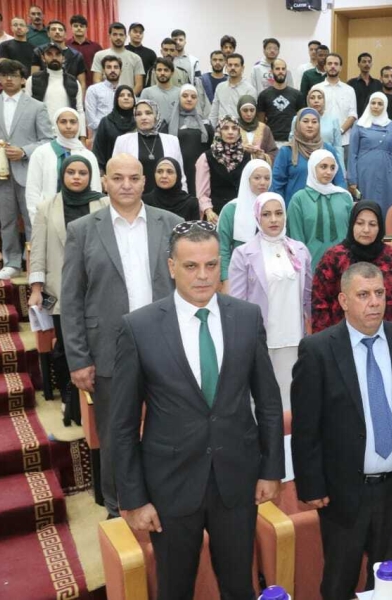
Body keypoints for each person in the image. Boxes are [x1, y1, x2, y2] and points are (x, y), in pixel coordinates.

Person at [113, 221, 283, 599]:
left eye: (211, 264)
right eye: (191, 266)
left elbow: (269, 402)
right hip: (170, 485)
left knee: (239, 586)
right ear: (172, 267)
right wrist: (134, 498)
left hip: (236, 481)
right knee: (175, 589)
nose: (203, 275)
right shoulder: (139, 328)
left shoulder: (247, 317)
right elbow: (122, 424)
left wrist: (271, 469)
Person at [292, 261, 392, 599]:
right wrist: (311, 485)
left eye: (379, 293)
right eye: (363, 295)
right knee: (339, 579)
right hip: (342, 490)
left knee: (385, 579)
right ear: (343, 300)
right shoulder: (318, 349)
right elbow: (306, 427)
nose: (374, 302)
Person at [62, 153, 183, 518]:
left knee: (173, 427)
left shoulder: (171, 224)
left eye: (133, 178)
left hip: (166, 347)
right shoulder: (83, 230)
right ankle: (118, 508)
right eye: (118, 178)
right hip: (109, 350)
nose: (126, 185)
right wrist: (79, 359)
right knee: (117, 434)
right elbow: (71, 299)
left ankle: (172, 497)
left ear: (145, 181)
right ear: (105, 182)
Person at [28, 155, 108, 427]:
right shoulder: (46, 207)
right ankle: (69, 398)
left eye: (82, 173)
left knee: (98, 344)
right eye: (71, 172)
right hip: (61, 289)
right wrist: (36, 288)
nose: (76, 177)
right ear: (62, 175)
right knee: (65, 347)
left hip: (98, 287)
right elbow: (38, 250)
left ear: (90, 176)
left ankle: (97, 401)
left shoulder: (103, 203)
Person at [229, 191, 311, 410]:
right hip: (261, 339)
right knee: (262, 400)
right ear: (257, 217)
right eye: (266, 214)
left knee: (293, 399)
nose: (273, 219)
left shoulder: (300, 250)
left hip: (294, 337)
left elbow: (308, 297)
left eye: (278, 213)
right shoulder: (243, 254)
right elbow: (238, 303)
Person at [312, 200, 392, 333]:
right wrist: (326, 341)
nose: (366, 230)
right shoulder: (333, 258)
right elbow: (320, 304)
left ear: (380, 227)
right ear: (352, 224)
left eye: (372, 224)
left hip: (389, 337)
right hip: (343, 339)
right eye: (360, 223)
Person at [0, 59, 53, 279]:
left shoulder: (36, 106)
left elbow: (48, 139)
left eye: (13, 75)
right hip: (0, 174)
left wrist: (24, 151)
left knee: (32, 219)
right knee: (7, 220)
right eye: (4, 75)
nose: (8, 79)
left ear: (23, 80)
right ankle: (11, 262)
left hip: (28, 172)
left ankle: (35, 263)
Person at [25, 107, 100, 223]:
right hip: (48, 216)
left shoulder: (88, 155)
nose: (68, 126)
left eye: (73, 122)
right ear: (56, 124)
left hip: (82, 216)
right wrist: (36, 219)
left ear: (79, 124)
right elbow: (33, 189)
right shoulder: (41, 153)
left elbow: (95, 188)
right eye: (63, 122)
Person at [286, 149, 353, 270]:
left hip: (344, 267)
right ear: (313, 167)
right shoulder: (299, 199)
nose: (329, 172)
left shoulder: (345, 197)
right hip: (311, 267)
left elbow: (352, 234)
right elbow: (296, 239)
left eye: (332, 168)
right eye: (323, 166)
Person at [273, 107, 346, 207]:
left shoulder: (328, 150)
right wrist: (279, 209)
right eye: (305, 121)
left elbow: (339, 181)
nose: (310, 125)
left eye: (314, 122)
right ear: (297, 124)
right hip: (295, 209)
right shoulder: (287, 151)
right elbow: (277, 184)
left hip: (324, 209)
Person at [112, 99, 185, 194]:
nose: (143, 117)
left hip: (167, 198)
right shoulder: (123, 141)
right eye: (138, 114)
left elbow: (180, 175)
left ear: (156, 115)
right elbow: (115, 173)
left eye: (148, 113)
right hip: (133, 196)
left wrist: (183, 198)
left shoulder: (172, 141)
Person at [215, 159, 271, 283]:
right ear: (247, 179)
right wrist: (225, 278)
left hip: (268, 276)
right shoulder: (232, 209)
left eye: (267, 178)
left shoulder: (272, 209)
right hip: (238, 275)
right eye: (257, 178)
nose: (263, 182)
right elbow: (222, 247)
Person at [347, 92, 392, 214]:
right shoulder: (359, 124)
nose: (376, 106)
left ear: (385, 106)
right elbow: (352, 153)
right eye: (373, 103)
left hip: (387, 173)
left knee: (387, 208)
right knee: (366, 207)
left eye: (380, 104)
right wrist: (352, 179)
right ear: (369, 104)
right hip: (365, 172)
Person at [195, 116, 251, 222]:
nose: (230, 132)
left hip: (242, 212)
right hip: (215, 215)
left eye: (234, 128)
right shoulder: (206, 157)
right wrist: (208, 211)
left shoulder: (247, 156)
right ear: (219, 131)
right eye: (225, 128)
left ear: (239, 132)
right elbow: (202, 193)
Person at [25, 42, 86, 139]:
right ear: (43, 58)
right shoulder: (33, 80)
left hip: (67, 135)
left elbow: (80, 110)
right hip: (40, 135)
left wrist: (82, 136)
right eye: (49, 54)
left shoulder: (74, 82)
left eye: (57, 54)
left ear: (63, 58)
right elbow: (27, 109)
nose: (54, 57)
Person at [164, 85, 214, 196]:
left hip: (199, 169)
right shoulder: (168, 122)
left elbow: (211, 146)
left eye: (193, 97)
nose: (189, 99)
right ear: (179, 98)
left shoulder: (205, 123)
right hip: (177, 167)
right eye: (185, 96)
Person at [311, 53, 357, 157]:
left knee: (343, 167)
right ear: (325, 67)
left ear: (340, 68)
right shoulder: (316, 89)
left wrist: (339, 132)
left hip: (344, 141)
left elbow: (352, 115)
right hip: (321, 140)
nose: (333, 66)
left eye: (336, 64)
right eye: (330, 63)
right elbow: (312, 114)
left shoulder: (349, 90)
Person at [257, 58, 305, 145]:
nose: (281, 71)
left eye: (283, 69)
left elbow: (301, 119)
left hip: (292, 140)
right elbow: (261, 122)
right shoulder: (263, 95)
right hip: (271, 141)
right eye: (277, 69)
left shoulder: (297, 95)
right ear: (271, 71)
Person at [31, 22, 87, 91]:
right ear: (48, 34)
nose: (57, 32)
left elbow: (82, 83)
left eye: (60, 30)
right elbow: (34, 78)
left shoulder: (76, 55)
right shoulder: (39, 51)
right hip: (44, 91)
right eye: (53, 29)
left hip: (70, 92)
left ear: (65, 35)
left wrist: (81, 97)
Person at [91, 84, 135, 172]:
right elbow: (99, 150)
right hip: (111, 171)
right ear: (116, 99)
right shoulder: (106, 122)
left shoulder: (138, 122)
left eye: (129, 95)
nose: (126, 98)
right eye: (122, 95)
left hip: (135, 171)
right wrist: (101, 173)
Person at [91, 22, 144, 94]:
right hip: (105, 97)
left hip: (128, 98)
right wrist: (106, 96)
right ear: (109, 36)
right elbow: (97, 80)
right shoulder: (99, 55)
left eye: (121, 35)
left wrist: (128, 97)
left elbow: (139, 85)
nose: (118, 37)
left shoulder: (135, 58)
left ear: (125, 37)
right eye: (115, 34)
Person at [209, 53, 256, 125]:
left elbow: (250, 116)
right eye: (230, 65)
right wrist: (211, 129)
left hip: (240, 129)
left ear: (242, 68)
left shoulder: (249, 90)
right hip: (221, 129)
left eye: (236, 65)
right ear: (226, 67)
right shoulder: (220, 87)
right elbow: (213, 114)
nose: (233, 68)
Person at [139, 57, 180, 127]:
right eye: (159, 70)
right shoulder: (147, 92)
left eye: (166, 70)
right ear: (154, 72)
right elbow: (141, 115)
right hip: (153, 131)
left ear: (172, 73)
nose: (162, 73)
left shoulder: (180, 93)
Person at [85, 55, 121, 134]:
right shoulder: (93, 90)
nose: (112, 70)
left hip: (123, 135)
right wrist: (110, 129)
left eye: (116, 67)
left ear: (120, 70)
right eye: (109, 67)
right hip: (101, 135)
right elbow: (91, 120)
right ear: (103, 70)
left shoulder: (126, 91)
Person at [236, 95, 277, 164]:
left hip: (259, 167)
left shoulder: (264, 129)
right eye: (245, 110)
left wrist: (263, 156)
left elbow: (273, 152)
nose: (249, 114)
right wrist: (241, 149)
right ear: (239, 111)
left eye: (252, 110)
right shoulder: (233, 127)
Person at [68, 15, 102, 92]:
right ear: (71, 28)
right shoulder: (66, 45)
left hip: (92, 86)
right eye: (75, 26)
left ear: (86, 28)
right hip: (71, 86)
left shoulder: (96, 47)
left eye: (81, 26)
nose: (79, 28)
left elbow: (102, 66)